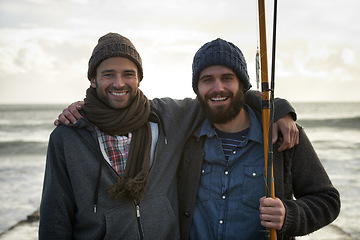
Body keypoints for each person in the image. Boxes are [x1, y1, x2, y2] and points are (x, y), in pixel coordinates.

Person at [41, 32, 298, 239]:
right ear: (93, 80)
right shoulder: (69, 136)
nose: (119, 83)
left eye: (128, 74)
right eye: (108, 74)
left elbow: (223, 97)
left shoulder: (167, 116)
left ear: (139, 79)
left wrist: (278, 110)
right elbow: (55, 218)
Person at [177, 38, 341, 240]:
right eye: (207, 79)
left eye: (227, 78)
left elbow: (328, 201)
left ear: (242, 85)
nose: (217, 87)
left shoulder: (284, 137)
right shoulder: (185, 136)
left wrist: (289, 215)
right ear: (197, 88)